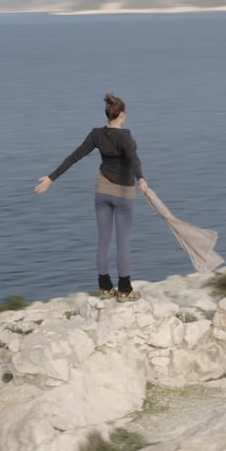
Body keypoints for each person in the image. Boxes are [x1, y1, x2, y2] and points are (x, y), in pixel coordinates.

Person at [34, 92, 148, 300]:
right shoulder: (125, 137)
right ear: (123, 114)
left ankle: (105, 287)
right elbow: (134, 160)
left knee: (103, 240)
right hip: (124, 193)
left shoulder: (97, 134)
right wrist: (141, 179)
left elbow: (75, 156)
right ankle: (124, 290)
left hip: (102, 190)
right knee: (123, 242)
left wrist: (51, 178)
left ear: (108, 114)